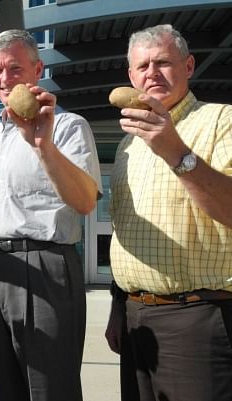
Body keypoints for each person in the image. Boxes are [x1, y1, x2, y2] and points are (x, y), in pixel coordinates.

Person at [0, 29, 102, 401]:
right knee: (1, 388)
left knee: (51, 390)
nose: (4, 80)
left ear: (37, 70)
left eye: (14, 68)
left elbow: (86, 202)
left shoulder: (69, 127)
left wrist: (43, 146)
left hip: (45, 267)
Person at [105, 24, 232, 401]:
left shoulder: (222, 120)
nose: (151, 73)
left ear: (189, 65)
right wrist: (118, 306)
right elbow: (123, 230)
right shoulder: (130, 142)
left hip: (197, 317)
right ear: (131, 76)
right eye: (142, 66)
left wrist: (176, 151)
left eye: (163, 62)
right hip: (135, 319)